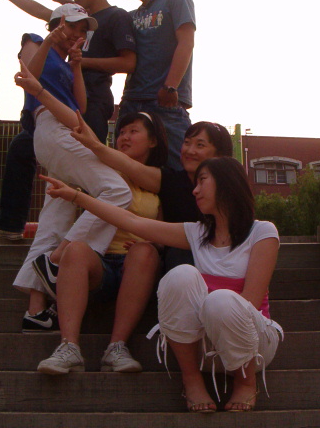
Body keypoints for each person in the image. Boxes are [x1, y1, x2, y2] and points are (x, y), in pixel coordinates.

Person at [39, 156, 283, 413]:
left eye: (202, 181)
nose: (195, 190)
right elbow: (132, 222)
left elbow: (251, 302)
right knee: (181, 275)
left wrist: (214, 307)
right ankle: (191, 380)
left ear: (226, 183)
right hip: (207, 348)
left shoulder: (262, 232)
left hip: (253, 344)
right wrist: (76, 197)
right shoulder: (197, 233)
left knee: (220, 300)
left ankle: (245, 381)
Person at [11, 6, 132, 331]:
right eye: (73, 26)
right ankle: (58, 260)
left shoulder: (67, 64)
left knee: (54, 220)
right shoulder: (36, 41)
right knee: (117, 190)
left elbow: (81, 105)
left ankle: (35, 311)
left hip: (63, 129)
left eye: (83, 30)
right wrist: (50, 41)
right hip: (52, 126)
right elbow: (29, 77)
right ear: (56, 24)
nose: (78, 34)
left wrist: (76, 66)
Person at [36, 111, 168, 374]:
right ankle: (69, 347)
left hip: (137, 267)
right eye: (121, 132)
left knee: (145, 251)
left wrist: (152, 243)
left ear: (153, 140)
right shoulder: (102, 171)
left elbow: (164, 233)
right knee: (75, 249)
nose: (124, 137)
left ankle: (116, 348)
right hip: (100, 263)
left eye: (133, 131)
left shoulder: (158, 180)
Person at [0, 0, 136, 142]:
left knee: (89, 151)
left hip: (93, 97)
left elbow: (128, 63)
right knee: (26, 145)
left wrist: (80, 62)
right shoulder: (78, 18)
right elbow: (40, 10)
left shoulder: (115, 16)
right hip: (64, 93)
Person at [71, 114, 232, 270]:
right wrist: (93, 145)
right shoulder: (169, 180)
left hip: (222, 255)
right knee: (178, 253)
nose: (190, 150)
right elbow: (130, 166)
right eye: (187, 143)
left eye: (200, 145)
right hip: (178, 262)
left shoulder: (232, 189)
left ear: (219, 154)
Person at [116, 0, 196, 170]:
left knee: (179, 170)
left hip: (164, 101)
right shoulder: (130, 16)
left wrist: (170, 86)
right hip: (131, 101)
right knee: (127, 172)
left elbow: (186, 42)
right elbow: (100, 15)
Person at [0, 38, 38, 241]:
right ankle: (10, 225)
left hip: (53, 120)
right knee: (21, 147)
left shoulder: (38, 43)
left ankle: (10, 224)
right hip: (37, 122)